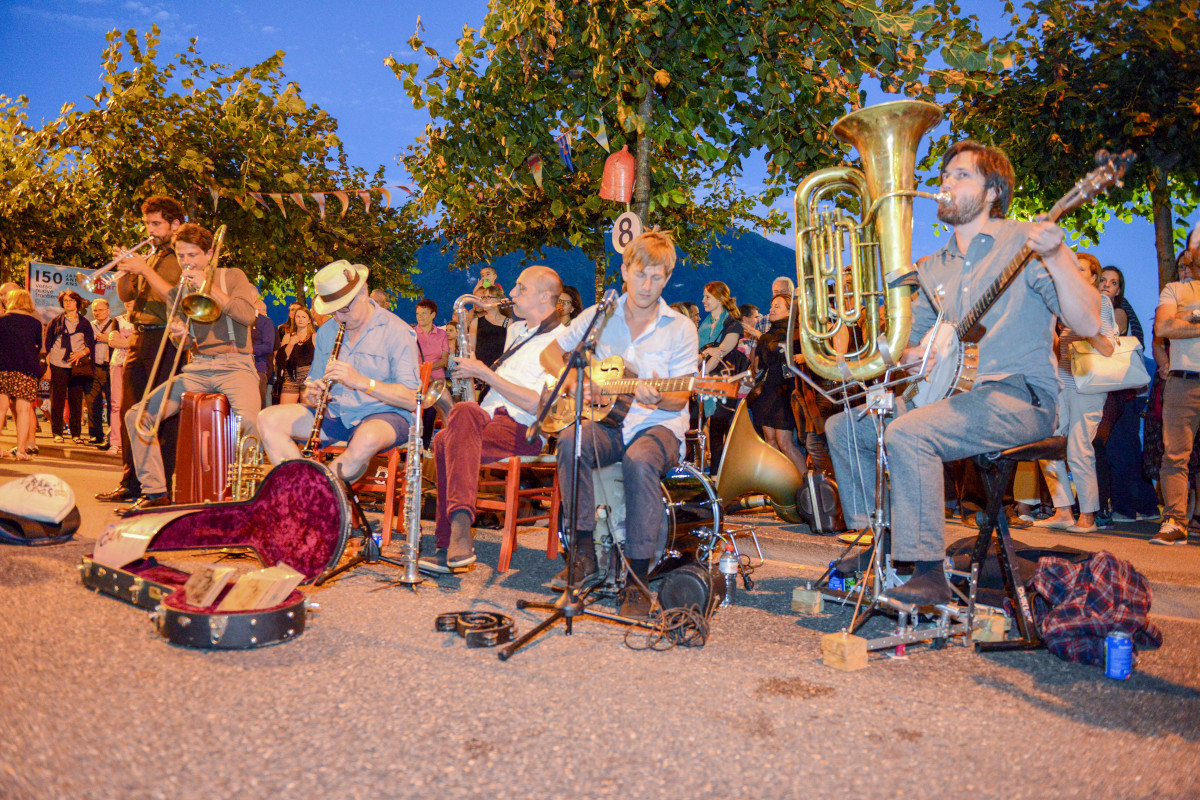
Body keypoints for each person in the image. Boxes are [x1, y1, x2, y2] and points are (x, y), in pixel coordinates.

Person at [827, 140, 1101, 605]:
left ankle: (929, 574)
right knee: (846, 427)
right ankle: (885, 539)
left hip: (1019, 397)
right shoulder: (934, 267)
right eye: (944, 176)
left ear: (993, 190)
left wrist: (1057, 258)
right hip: (956, 397)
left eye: (960, 175)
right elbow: (904, 347)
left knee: (910, 433)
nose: (945, 184)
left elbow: (1089, 322)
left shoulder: (1025, 243)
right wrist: (908, 353)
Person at [540, 229, 698, 618]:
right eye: (641, 274)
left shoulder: (680, 328)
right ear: (624, 270)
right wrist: (580, 383)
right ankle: (581, 555)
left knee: (640, 460)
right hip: (609, 423)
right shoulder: (598, 316)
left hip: (658, 426)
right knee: (572, 441)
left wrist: (659, 395)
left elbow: (682, 395)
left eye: (657, 277)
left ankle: (638, 579)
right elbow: (550, 355)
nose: (648, 285)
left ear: (668, 276)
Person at [419, 266, 563, 572]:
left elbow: (542, 406)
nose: (511, 293)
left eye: (521, 288)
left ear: (545, 296)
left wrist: (484, 373)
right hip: (484, 420)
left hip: (524, 428)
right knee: (460, 418)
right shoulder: (516, 330)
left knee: (446, 440)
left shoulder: (563, 341)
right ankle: (456, 536)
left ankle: (451, 540)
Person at [120, 223, 262, 514]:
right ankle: (156, 492)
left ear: (210, 253)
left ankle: (246, 498)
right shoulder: (177, 293)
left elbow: (247, 316)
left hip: (235, 365)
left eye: (193, 255)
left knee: (250, 423)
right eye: (182, 255)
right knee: (137, 416)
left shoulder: (231, 276)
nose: (186, 261)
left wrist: (207, 287)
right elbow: (181, 343)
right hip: (197, 368)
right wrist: (176, 332)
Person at [256, 260, 420, 485]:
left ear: (363, 292)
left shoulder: (397, 331)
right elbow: (312, 383)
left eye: (344, 309)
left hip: (384, 415)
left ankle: (316, 496)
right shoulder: (327, 332)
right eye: (333, 312)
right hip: (337, 413)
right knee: (268, 419)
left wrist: (362, 382)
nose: (339, 318)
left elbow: (412, 399)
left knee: (367, 438)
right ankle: (302, 491)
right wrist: (312, 393)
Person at [96, 196, 184, 503]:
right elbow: (127, 295)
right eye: (147, 223)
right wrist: (124, 273)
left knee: (161, 418)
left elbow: (176, 297)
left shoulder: (181, 255)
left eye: (156, 223)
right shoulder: (153, 255)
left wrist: (144, 269)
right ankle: (130, 484)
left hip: (167, 340)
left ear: (175, 224)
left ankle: (160, 489)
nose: (150, 229)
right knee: (128, 415)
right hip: (139, 336)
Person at [1036, 252, 1118, 533]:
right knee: (1048, 445)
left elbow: (1107, 346)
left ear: (1094, 277)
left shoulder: (1100, 301)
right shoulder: (1063, 303)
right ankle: (1062, 510)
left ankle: (1088, 516)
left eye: (1081, 269)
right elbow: (1058, 344)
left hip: (1088, 386)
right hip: (1062, 383)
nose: (1074, 272)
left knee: (1080, 449)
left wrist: (1080, 321)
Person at [1093, 265, 1159, 522]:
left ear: (1120, 290)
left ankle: (1124, 508)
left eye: (1113, 282)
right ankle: (1147, 505)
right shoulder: (1103, 309)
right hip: (1118, 389)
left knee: (1119, 449)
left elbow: (1112, 336)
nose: (1107, 285)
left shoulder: (1118, 311)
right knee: (1126, 447)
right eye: (1103, 280)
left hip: (1124, 391)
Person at [1150, 246, 1200, 545]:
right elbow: (1164, 326)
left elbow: (1175, 325)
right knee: (1175, 456)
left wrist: (1191, 320)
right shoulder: (1175, 289)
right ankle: (1175, 522)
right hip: (1183, 382)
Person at [749, 294, 808, 478]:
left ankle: (809, 484)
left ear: (790, 311)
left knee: (785, 442)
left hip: (786, 391)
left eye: (778, 306)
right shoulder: (768, 335)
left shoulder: (796, 332)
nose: (772, 310)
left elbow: (781, 353)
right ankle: (781, 485)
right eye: (772, 306)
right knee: (770, 441)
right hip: (768, 392)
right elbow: (758, 364)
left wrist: (760, 338)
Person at [43, 290, 96, 444]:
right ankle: (57, 433)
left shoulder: (84, 323)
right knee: (57, 400)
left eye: (72, 300)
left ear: (77, 303)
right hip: (58, 364)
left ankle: (76, 434)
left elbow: (90, 346)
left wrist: (81, 353)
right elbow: (48, 346)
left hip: (76, 366)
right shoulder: (56, 321)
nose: (68, 303)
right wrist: (48, 367)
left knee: (76, 401)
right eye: (66, 300)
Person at [0, 290, 44, 460]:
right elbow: (38, 347)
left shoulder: (2, 320)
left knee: (1, 407)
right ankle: (21, 450)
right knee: (24, 409)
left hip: (3, 368)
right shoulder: (35, 323)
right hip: (26, 369)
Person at [413, 298, 448, 448]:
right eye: (418, 314)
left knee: (430, 416)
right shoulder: (411, 334)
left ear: (433, 314)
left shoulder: (441, 334)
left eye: (424, 313)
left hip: (436, 383)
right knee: (416, 415)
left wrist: (428, 369)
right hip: (417, 380)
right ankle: (413, 448)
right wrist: (422, 371)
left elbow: (444, 360)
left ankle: (425, 448)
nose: (420, 317)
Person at [468, 284, 511, 399]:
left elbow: (509, 350)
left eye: (488, 297)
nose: (484, 300)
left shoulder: (508, 323)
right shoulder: (476, 322)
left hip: (499, 371)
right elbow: (471, 349)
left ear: (498, 300)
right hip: (480, 372)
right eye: (484, 297)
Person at [104, 299, 136, 456]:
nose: (128, 302)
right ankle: (115, 443)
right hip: (117, 364)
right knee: (116, 404)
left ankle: (131, 444)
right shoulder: (118, 320)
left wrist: (123, 342)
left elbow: (142, 343)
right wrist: (132, 342)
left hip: (136, 365)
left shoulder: (144, 321)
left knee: (135, 405)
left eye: (132, 299)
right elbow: (112, 341)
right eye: (126, 300)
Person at [84, 297, 117, 446]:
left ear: (108, 311)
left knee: (112, 403)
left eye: (100, 310)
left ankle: (113, 436)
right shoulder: (89, 326)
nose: (97, 313)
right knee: (92, 401)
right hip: (94, 368)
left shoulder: (115, 325)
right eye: (95, 310)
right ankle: (95, 435)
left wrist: (107, 339)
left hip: (111, 368)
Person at [275, 304, 316, 405]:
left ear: (309, 320)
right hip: (290, 376)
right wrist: (291, 343)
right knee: (285, 410)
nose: (300, 319)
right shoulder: (288, 337)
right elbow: (281, 360)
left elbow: (320, 358)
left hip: (308, 376)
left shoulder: (315, 337)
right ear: (294, 318)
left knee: (307, 412)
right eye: (298, 316)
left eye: (303, 317)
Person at [251, 298, 278, 407]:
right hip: (240, 367)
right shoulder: (240, 320)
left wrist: (250, 349)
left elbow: (268, 347)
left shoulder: (265, 322)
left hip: (258, 369)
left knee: (258, 405)